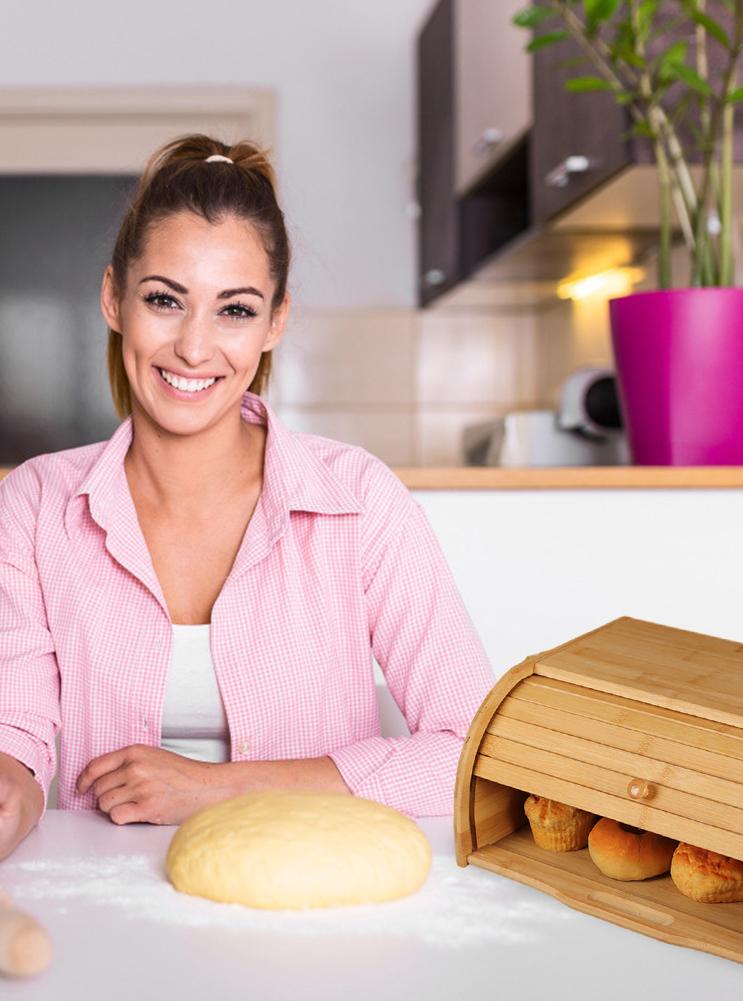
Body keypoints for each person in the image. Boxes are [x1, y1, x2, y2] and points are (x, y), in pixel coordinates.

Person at [0, 135, 496, 863]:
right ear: (114, 299)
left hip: (310, 919)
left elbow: (471, 750)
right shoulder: (35, 503)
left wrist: (220, 787)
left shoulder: (358, 501)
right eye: (164, 300)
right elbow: (15, 730)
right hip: (92, 916)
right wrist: (10, 788)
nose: (195, 348)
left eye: (234, 310)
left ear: (275, 322)